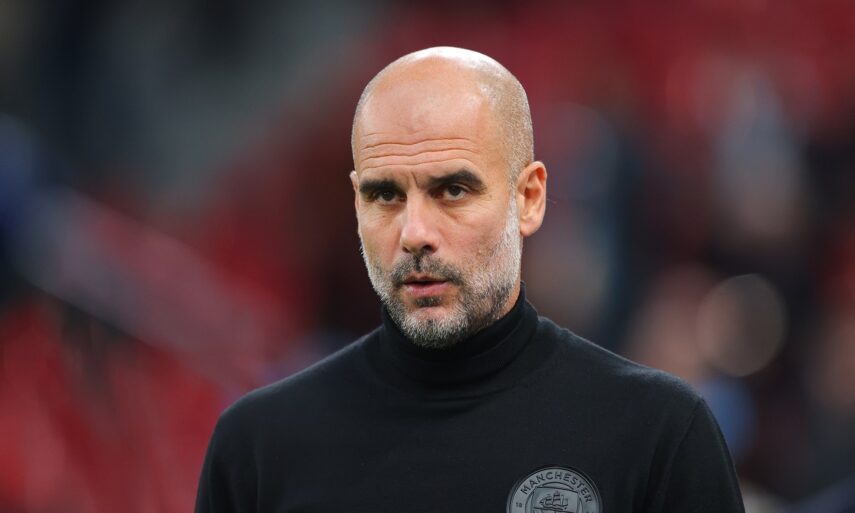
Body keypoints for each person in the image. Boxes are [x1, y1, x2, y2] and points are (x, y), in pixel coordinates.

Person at [194, 47, 745, 513]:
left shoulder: (658, 434)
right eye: (385, 195)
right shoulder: (257, 449)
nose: (415, 233)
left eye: (452, 191)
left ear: (529, 199)